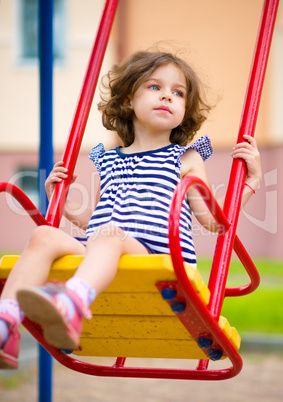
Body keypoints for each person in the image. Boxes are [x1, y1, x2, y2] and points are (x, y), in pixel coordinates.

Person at [0, 50, 261, 369]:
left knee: (110, 236)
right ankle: (6, 325)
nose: (167, 95)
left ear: (184, 110)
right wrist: (64, 205)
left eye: (178, 93)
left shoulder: (185, 158)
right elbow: (95, 222)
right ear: (127, 101)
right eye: (155, 87)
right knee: (44, 235)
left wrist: (251, 182)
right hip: (109, 244)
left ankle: (72, 304)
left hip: (161, 261)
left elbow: (213, 221)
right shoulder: (108, 160)